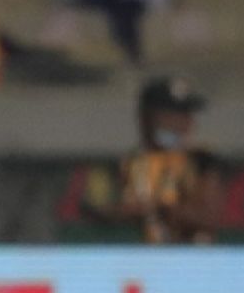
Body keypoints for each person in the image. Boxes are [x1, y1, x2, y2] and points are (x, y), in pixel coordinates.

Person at [84, 76, 222, 243]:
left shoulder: (202, 162)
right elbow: (94, 207)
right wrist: (129, 212)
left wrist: (159, 209)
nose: (184, 124)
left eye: (187, 115)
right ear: (146, 117)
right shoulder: (120, 163)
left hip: (190, 260)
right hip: (131, 261)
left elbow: (208, 217)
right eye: (173, 115)